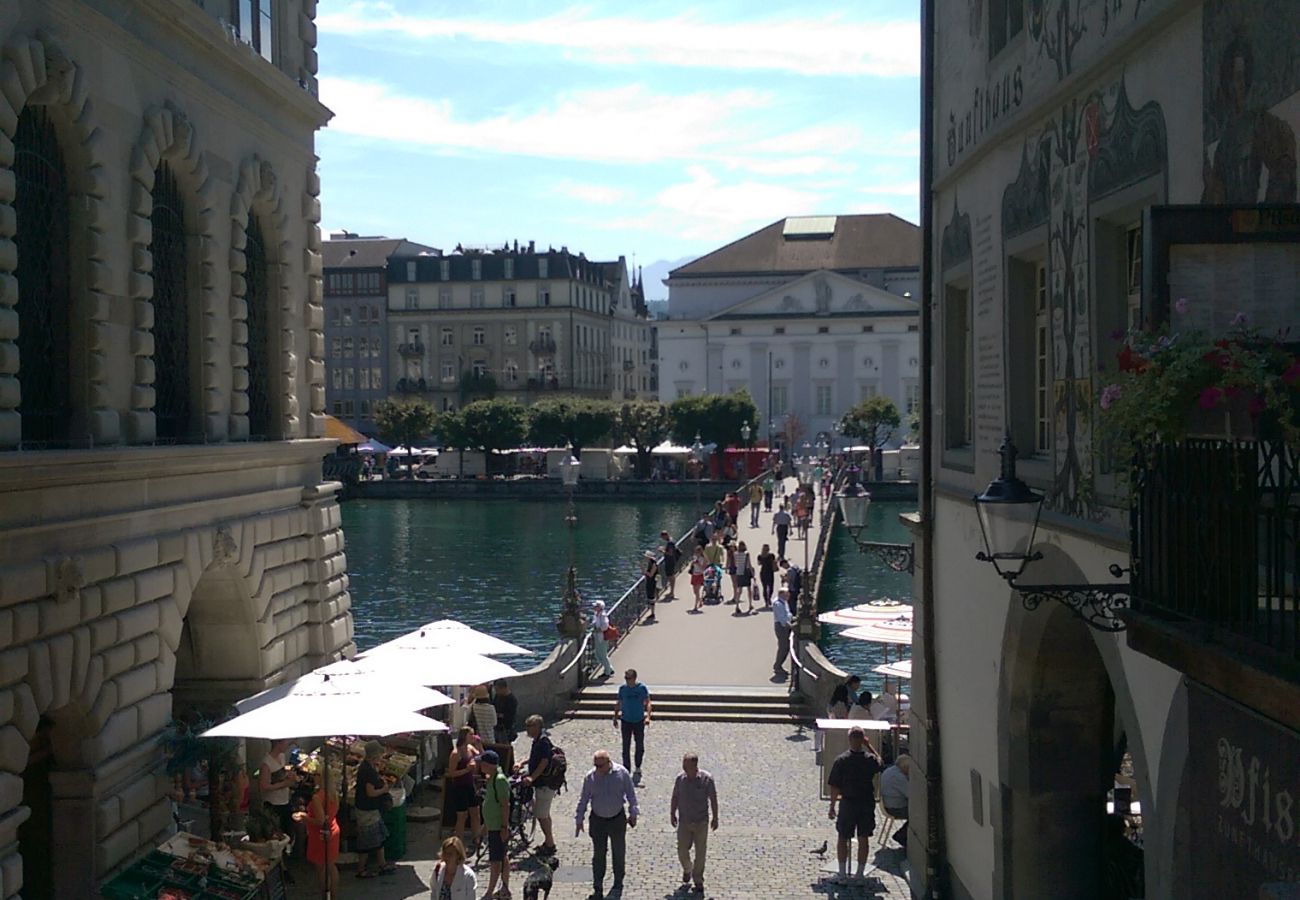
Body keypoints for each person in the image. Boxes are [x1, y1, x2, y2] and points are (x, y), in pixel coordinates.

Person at [574, 750, 639, 900]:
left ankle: (618, 883)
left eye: (600, 766)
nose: (598, 769)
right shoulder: (590, 777)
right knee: (598, 855)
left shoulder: (622, 773)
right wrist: (579, 819)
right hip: (598, 820)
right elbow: (583, 799)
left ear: (608, 763)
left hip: (617, 818)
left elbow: (631, 795)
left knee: (618, 852)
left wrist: (633, 813)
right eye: (595, 765)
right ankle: (598, 887)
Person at [827, 726, 884, 881]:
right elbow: (880, 762)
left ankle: (842, 874)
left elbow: (835, 786)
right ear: (862, 739)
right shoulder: (869, 760)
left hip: (848, 803)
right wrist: (869, 745)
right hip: (866, 803)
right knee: (863, 837)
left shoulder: (841, 760)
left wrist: (832, 806)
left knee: (843, 837)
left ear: (849, 739)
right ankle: (859, 874)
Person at [670, 752, 718, 894]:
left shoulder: (707, 779)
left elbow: (713, 799)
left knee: (700, 852)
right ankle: (687, 869)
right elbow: (675, 796)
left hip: (701, 821)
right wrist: (672, 813)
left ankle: (698, 880)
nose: (683, 767)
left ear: (694, 765)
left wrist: (715, 817)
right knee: (682, 850)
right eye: (683, 764)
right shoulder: (680, 779)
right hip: (684, 821)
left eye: (686, 765)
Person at [518, 715, 558, 856]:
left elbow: (544, 762)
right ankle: (548, 842)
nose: (527, 729)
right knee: (543, 813)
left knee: (542, 814)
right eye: (527, 725)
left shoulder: (542, 742)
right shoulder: (537, 741)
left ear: (538, 727)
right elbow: (535, 758)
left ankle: (550, 844)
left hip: (545, 784)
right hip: (541, 784)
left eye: (530, 726)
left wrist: (532, 777)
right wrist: (523, 762)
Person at [354, 741, 395, 878]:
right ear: (374, 755)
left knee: (379, 838)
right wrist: (383, 789)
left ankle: (382, 864)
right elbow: (370, 792)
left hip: (371, 809)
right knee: (367, 842)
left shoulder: (369, 767)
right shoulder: (367, 771)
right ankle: (361, 870)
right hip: (367, 809)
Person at [478, 750, 512, 899]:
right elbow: (492, 804)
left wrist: (504, 827)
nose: (480, 766)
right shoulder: (491, 778)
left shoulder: (499, 780)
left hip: (498, 828)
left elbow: (505, 805)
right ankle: (504, 890)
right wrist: (485, 827)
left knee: (496, 861)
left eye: (482, 763)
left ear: (488, 765)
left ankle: (490, 893)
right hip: (493, 826)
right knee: (502, 858)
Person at [303, 771, 339, 895]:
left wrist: (304, 817)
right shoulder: (333, 794)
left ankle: (326, 894)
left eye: (316, 775)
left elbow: (320, 820)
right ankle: (333, 895)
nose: (313, 777)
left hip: (320, 835)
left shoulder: (317, 797)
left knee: (321, 867)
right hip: (333, 829)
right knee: (331, 865)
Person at [446, 726, 482, 853]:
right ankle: (458, 843)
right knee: (462, 816)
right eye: (471, 735)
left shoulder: (470, 748)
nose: (473, 737)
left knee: (475, 813)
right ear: (464, 736)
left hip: (470, 784)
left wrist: (479, 744)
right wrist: (466, 769)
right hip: (459, 786)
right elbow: (451, 773)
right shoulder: (456, 753)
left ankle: (476, 839)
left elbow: (481, 756)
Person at [259, 739, 299, 843]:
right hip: (273, 804)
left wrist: (287, 775)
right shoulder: (266, 763)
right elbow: (264, 786)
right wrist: (284, 784)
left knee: (289, 832)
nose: (287, 745)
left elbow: (280, 774)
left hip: (285, 800)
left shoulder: (281, 756)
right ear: (278, 743)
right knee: (277, 834)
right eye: (285, 743)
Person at [614, 668, 651, 779]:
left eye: (629, 679)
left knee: (639, 745)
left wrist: (648, 716)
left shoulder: (641, 688)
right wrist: (615, 716)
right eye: (626, 678)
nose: (627, 681)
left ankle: (638, 765)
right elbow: (619, 702)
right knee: (626, 745)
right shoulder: (623, 689)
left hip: (638, 720)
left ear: (634, 678)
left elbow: (648, 702)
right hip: (626, 720)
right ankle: (626, 768)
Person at [879, 755, 911, 850]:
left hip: (887, 804)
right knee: (919, 815)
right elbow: (910, 794)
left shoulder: (890, 770)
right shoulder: (899, 777)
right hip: (895, 808)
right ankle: (901, 835)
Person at [430, 836, 477, 900]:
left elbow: (471, 897)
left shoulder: (468, 875)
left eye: (450, 854)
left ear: (458, 855)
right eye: (445, 853)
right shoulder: (437, 870)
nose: (446, 856)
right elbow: (433, 893)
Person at [591, 599, 615, 677]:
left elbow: (605, 626)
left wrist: (598, 630)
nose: (594, 607)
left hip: (602, 637)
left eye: (596, 606)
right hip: (597, 637)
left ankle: (607, 671)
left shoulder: (603, 615)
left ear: (600, 607)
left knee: (602, 655)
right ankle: (609, 668)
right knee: (598, 654)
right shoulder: (596, 614)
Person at [772, 589, 793, 679]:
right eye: (786, 595)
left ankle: (778, 665)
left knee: (786, 647)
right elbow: (782, 619)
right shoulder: (778, 604)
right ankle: (777, 666)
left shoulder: (784, 602)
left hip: (785, 625)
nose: (788, 597)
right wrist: (791, 627)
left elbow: (788, 614)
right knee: (783, 647)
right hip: (781, 627)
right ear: (781, 595)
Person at [492, 679, 519, 744]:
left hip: (506, 728)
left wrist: (499, 715)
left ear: (503, 688)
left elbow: (510, 716)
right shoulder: (498, 696)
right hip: (497, 726)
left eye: (497, 690)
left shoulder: (511, 700)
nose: (496, 692)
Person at [732, 542, 755, 614]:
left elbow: (735, 564)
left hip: (739, 572)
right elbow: (749, 565)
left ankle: (737, 605)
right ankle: (750, 604)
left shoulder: (735, 554)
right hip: (746, 573)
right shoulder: (747, 554)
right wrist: (753, 575)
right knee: (749, 589)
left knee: (739, 590)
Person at [660, 531, 681, 599]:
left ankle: (672, 592)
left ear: (665, 536)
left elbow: (670, 553)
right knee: (671, 576)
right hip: (671, 561)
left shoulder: (670, 542)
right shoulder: (671, 540)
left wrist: (662, 551)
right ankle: (671, 591)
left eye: (663, 537)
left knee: (670, 576)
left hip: (670, 562)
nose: (663, 539)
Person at [688, 546, 708, 611]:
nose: (696, 553)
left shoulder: (703, 559)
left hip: (699, 574)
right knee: (695, 591)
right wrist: (692, 563)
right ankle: (700, 601)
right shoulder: (694, 557)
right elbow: (692, 565)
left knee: (697, 591)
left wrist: (698, 563)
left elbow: (703, 568)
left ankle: (695, 606)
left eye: (698, 552)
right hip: (694, 574)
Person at [642, 550, 659, 622]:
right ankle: (651, 611)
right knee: (649, 596)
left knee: (651, 597)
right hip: (649, 581)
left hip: (652, 582)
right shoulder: (650, 563)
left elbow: (651, 574)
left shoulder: (654, 564)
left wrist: (644, 570)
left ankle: (652, 613)